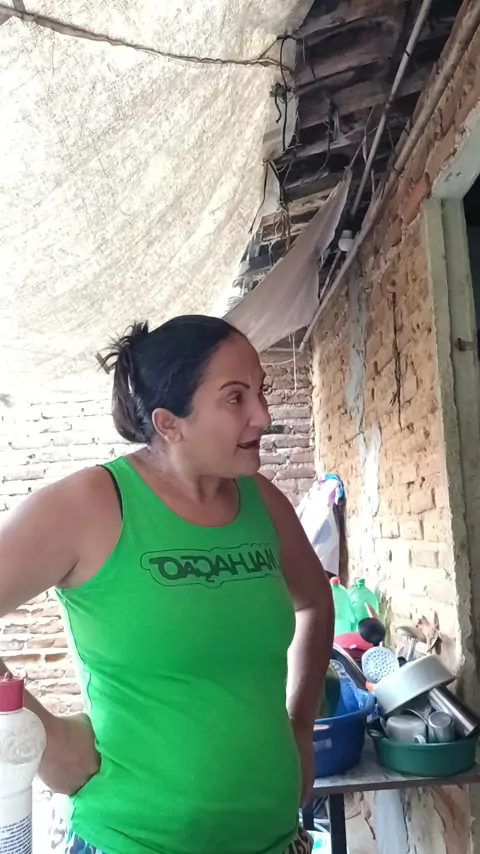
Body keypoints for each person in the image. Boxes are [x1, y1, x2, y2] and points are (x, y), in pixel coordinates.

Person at [0, 315, 333, 854]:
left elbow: (314, 600)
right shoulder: (93, 504)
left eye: (261, 392)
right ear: (168, 423)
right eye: (236, 398)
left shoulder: (263, 501)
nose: (263, 416)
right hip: (133, 840)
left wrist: (299, 726)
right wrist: (44, 742)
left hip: (272, 838)